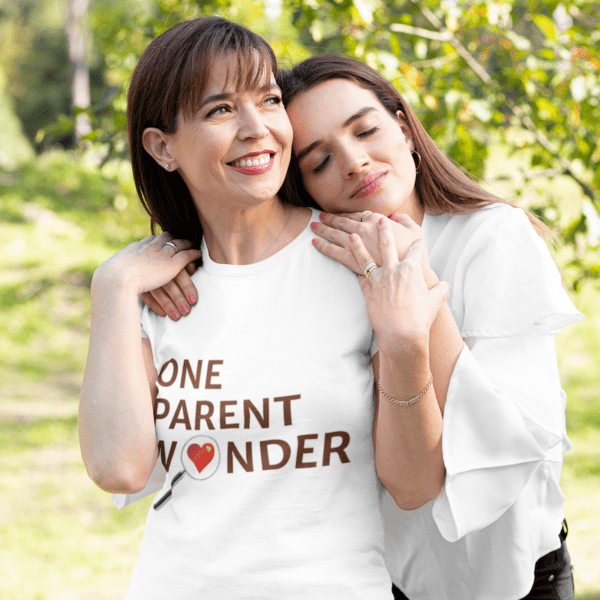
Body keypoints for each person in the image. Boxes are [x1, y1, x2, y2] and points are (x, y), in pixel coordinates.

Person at [147, 53, 583, 600]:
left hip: (516, 572)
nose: (353, 163)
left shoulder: (491, 239)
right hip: (394, 577)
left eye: (366, 130)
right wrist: (161, 264)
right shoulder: (329, 263)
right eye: (319, 161)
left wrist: (415, 282)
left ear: (402, 127)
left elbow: (508, 442)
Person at [78, 17, 452, 600]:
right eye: (221, 110)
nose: (258, 129)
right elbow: (118, 469)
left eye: (270, 100)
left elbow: (415, 484)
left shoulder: (367, 257)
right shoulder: (155, 288)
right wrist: (113, 288)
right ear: (163, 147)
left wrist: (405, 341)